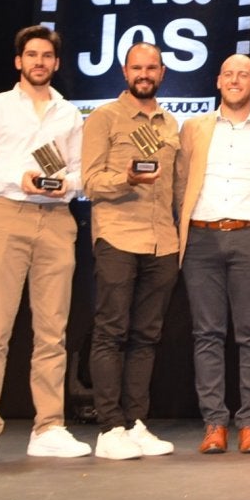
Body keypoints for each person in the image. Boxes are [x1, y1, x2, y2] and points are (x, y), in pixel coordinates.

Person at [0, 25, 91, 463]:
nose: (39, 62)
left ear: (56, 63)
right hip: (6, 215)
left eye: (46, 56)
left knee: (52, 332)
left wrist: (60, 186)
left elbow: (80, 175)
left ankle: (48, 425)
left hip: (55, 221)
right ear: (19, 61)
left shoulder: (69, 114)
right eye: (31, 55)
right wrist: (19, 179)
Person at [173, 54, 250, 455]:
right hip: (201, 238)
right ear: (219, 81)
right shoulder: (193, 127)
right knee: (207, 334)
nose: (236, 80)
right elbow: (179, 182)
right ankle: (214, 424)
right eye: (229, 74)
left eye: (245, 75)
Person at [81, 42, 181, 460]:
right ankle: (109, 427)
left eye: (151, 68)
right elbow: (89, 182)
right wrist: (125, 179)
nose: (145, 74)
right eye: (137, 67)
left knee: (147, 337)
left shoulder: (171, 123)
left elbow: (176, 186)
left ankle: (136, 422)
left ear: (161, 72)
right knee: (111, 332)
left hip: (163, 242)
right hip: (119, 237)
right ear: (125, 72)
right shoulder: (104, 117)